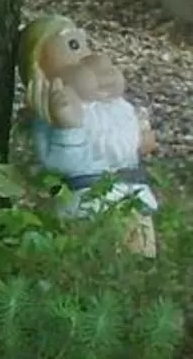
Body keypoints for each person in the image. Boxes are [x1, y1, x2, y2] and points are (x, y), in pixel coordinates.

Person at [20, 14, 158, 243]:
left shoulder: (111, 107)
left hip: (133, 193)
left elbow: (116, 142)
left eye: (84, 45)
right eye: (73, 46)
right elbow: (63, 164)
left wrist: (138, 141)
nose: (91, 58)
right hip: (89, 201)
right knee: (100, 253)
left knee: (140, 255)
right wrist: (68, 128)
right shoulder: (55, 113)